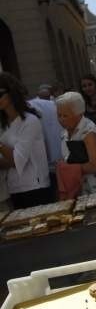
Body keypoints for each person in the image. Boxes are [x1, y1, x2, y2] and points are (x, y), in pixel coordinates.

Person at [0, 72, 51, 209]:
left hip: (35, 188)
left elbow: (17, 160)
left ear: (11, 93)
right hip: (14, 188)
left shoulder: (29, 121)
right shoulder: (3, 124)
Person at [56, 92, 96, 195]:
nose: (61, 119)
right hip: (79, 189)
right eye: (59, 115)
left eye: (65, 115)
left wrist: (69, 169)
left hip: (95, 191)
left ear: (79, 114)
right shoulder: (65, 132)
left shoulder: (88, 132)